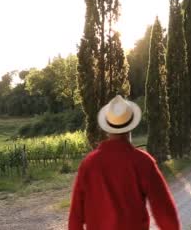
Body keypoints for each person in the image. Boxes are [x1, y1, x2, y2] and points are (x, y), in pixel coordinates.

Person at [68, 95, 181, 230]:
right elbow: (163, 210)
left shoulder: (89, 164)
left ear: (107, 127)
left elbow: (76, 216)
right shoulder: (143, 162)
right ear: (130, 127)